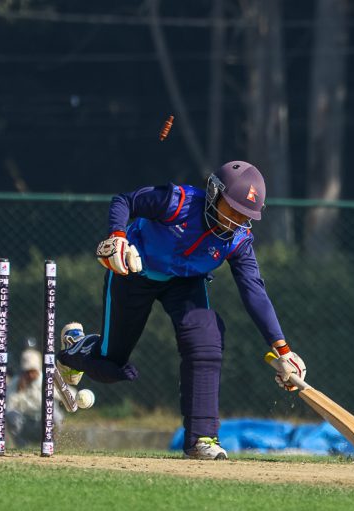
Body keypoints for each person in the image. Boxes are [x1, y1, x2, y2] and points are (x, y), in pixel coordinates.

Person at [56, 161, 306, 460]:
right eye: (233, 210)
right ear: (214, 192)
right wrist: (117, 238)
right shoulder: (177, 202)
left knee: (206, 341)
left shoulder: (239, 240)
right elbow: (125, 200)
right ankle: (76, 349)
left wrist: (283, 349)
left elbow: (254, 290)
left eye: (245, 216)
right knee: (111, 365)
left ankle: (202, 438)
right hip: (135, 270)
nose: (237, 221)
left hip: (186, 283)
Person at [6, 349, 63, 447]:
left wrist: (63, 402)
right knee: (11, 416)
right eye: (27, 372)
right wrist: (19, 391)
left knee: (55, 415)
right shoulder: (16, 383)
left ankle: (51, 445)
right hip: (25, 425)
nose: (30, 375)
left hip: (44, 424)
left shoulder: (48, 380)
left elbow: (69, 395)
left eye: (33, 371)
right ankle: (22, 448)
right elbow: (8, 408)